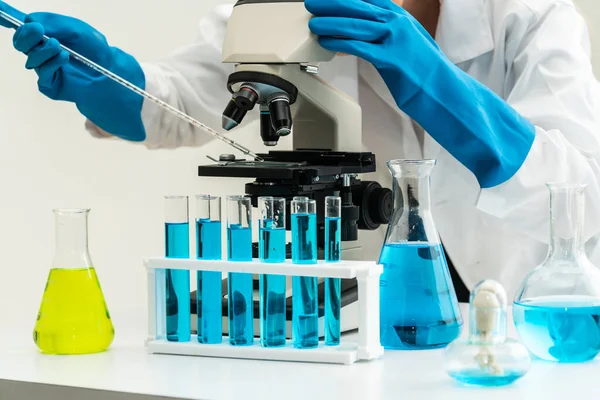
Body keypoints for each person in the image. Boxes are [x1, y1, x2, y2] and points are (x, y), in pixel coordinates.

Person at [1, 0, 600, 300]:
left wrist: (443, 90)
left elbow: (580, 196)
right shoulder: (285, 10)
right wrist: (111, 79)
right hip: (359, 318)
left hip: (522, 313)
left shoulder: (530, 14)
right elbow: (182, 103)